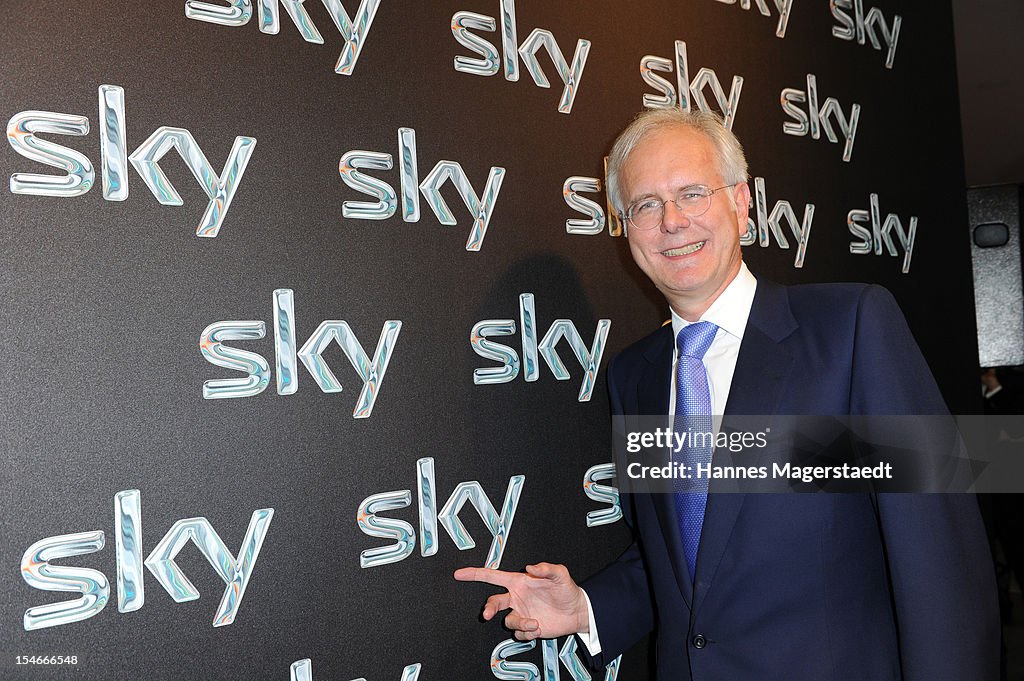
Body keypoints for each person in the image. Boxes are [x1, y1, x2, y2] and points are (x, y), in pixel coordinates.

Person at [455, 108, 999, 680]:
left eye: (692, 193)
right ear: (625, 229)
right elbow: (687, 559)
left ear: (741, 202)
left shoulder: (850, 329)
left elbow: (939, 555)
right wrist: (588, 607)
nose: (671, 221)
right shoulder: (633, 376)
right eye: (644, 205)